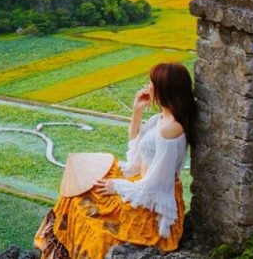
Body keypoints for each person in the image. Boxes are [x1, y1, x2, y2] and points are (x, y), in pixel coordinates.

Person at [34, 62, 197, 259]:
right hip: (139, 184)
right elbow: (139, 151)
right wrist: (137, 111)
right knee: (78, 188)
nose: (147, 86)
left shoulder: (170, 129)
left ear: (163, 88)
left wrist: (117, 186)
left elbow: (156, 186)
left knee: (89, 216)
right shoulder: (160, 119)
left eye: (151, 82)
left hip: (150, 203)